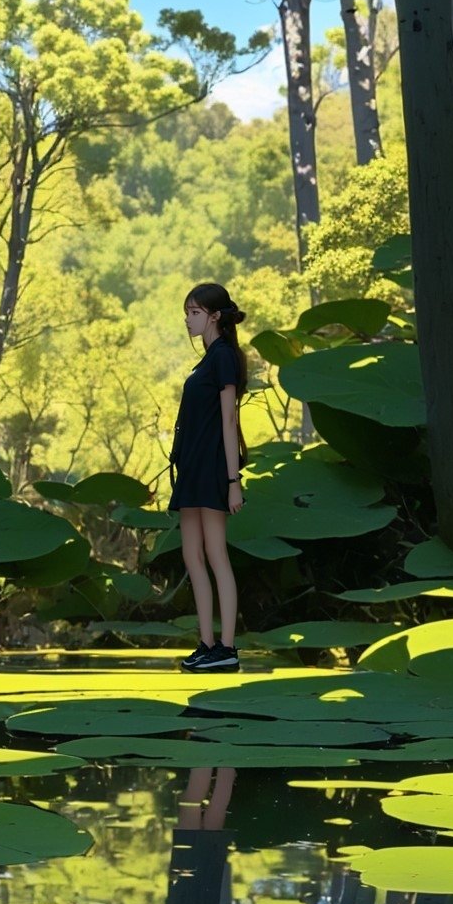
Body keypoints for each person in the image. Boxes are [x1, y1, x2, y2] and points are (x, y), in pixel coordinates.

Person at [167, 283, 248, 673]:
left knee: (216, 555)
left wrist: (233, 480)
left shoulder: (223, 359)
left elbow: (230, 420)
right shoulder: (205, 362)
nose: (188, 320)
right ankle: (206, 642)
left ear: (215, 316)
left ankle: (227, 648)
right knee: (191, 555)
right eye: (187, 313)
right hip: (192, 468)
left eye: (195, 312)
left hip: (215, 467)